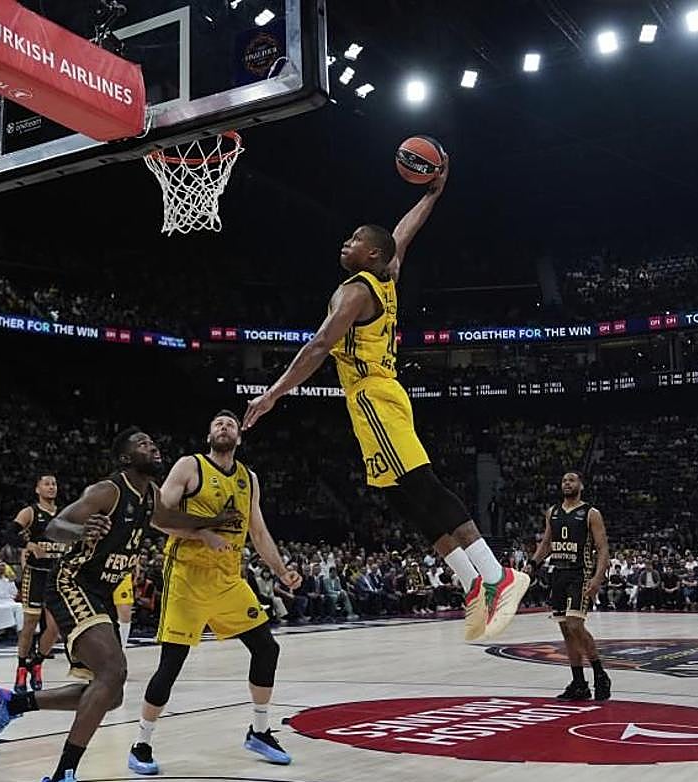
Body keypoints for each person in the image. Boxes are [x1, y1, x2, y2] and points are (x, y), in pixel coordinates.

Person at [241, 157, 529, 642]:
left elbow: (318, 346)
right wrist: (432, 195)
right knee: (400, 494)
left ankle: (497, 574)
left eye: (354, 240)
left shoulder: (354, 292)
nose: (345, 243)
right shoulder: (388, 273)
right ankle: (471, 582)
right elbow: (403, 231)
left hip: (373, 395)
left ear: (372, 256)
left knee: (422, 485)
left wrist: (273, 393)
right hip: (375, 397)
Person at [0, 427, 237, 782]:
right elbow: (55, 526)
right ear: (126, 459)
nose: (154, 445)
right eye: (143, 443)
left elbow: (170, 517)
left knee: (110, 694)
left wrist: (214, 520)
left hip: (101, 596)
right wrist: (82, 530)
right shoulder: (108, 491)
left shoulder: (149, 497)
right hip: (71, 585)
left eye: (154, 440)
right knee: (114, 672)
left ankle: (11, 703)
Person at [128, 410, 302, 777]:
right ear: (209, 435)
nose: (224, 427)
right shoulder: (189, 467)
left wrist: (281, 570)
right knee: (171, 664)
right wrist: (201, 533)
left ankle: (259, 731)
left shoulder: (248, 479)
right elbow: (158, 517)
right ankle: (141, 743)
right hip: (187, 575)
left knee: (267, 648)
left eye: (231, 425)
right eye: (217, 424)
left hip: (227, 578)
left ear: (238, 438)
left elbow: (258, 531)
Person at [530, 472, 611, 701]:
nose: (567, 483)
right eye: (564, 480)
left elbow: (603, 548)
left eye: (572, 480)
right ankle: (579, 683)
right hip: (559, 573)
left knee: (575, 624)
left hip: (581, 574)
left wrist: (597, 579)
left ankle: (600, 674)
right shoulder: (552, 512)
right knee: (566, 630)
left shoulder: (591, 513)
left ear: (581, 485)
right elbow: (546, 544)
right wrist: (533, 563)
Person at [6, 474, 66, 693]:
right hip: (36, 574)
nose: (51, 487)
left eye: (54, 484)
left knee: (55, 628)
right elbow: (9, 533)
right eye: (47, 484)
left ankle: (37, 662)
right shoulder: (31, 512)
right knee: (30, 625)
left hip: (56, 575)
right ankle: (21, 668)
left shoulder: (64, 513)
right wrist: (29, 544)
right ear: (37, 489)